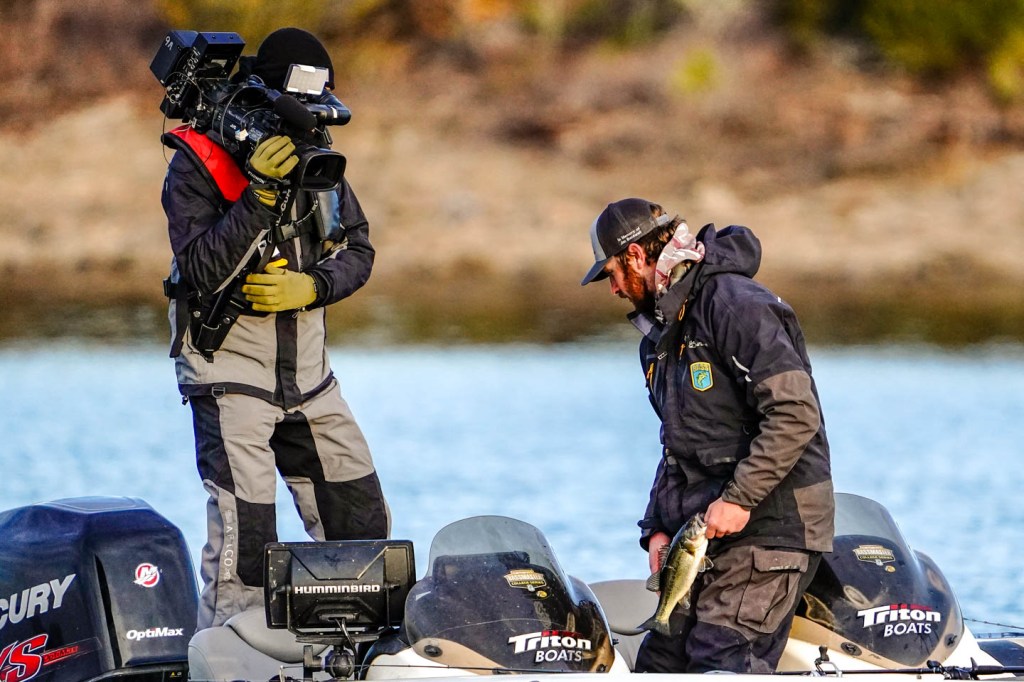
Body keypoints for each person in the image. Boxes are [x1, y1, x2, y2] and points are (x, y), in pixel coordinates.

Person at [160, 27, 389, 630]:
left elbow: (358, 249)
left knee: (363, 524)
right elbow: (203, 268)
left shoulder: (319, 157)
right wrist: (259, 194)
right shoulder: (195, 163)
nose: (308, 128)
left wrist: (313, 286)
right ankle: (224, 655)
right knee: (247, 542)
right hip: (231, 376)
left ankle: (353, 647)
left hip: (311, 380)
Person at [580, 198, 834, 673]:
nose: (612, 288)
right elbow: (677, 447)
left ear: (636, 256)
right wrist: (656, 528)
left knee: (719, 661)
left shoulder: (736, 305)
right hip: (702, 538)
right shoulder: (659, 339)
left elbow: (795, 414)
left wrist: (739, 498)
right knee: (660, 665)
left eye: (611, 274)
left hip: (772, 529)